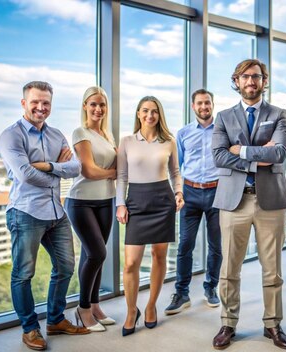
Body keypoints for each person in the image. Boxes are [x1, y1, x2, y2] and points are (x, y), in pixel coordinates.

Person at [0, 81, 89, 351]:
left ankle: (55, 319)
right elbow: (25, 174)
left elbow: (76, 167)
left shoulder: (56, 134)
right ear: (24, 103)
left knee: (66, 267)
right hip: (25, 212)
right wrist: (56, 172)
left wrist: (48, 166)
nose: (41, 107)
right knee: (23, 274)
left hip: (55, 212)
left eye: (46, 103)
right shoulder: (11, 136)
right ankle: (30, 328)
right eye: (35, 102)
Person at [211, 59, 286, 350]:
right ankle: (227, 323)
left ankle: (273, 324)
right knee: (229, 268)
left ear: (263, 81)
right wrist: (261, 154)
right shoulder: (222, 117)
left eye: (256, 77)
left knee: (273, 269)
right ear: (237, 81)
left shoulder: (279, 114)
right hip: (234, 202)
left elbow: (280, 153)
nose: (250, 82)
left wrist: (241, 150)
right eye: (245, 77)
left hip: (271, 202)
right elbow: (219, 156)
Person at [116, 96, 184, 336]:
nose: (150, 115)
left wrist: (178, 193)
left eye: (154, 111)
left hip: (162, 200)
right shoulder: (126, 142)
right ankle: (131, 311)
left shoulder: (169, 141)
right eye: (145, 111)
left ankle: (151, 305)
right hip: (135, 201)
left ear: (159, 115)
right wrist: (120, 204)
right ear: (138, 113)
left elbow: (176, 172)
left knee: (158, 255)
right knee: (131, 263)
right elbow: (121, 176)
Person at [165, 89, 222, 315]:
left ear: (212, 104)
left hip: (216, 192)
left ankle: (211, 288)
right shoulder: (183, 133)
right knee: (185, 244)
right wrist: (177, 192)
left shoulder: (222, 131)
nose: (204, 107)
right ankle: (181, 293)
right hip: (190, 193)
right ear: (193, 106)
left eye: (207, 103)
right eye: (199, 103)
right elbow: (176, 167)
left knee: (216, 246)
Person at [64, 86, 117, 332]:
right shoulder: (80, 132)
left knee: (93, 255)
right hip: (81, 201)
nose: (98, 109)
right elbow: (89, 170)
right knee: (97, 253)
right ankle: (83, 309)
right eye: (93, 104)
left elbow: (104, 170)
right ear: (85, 106)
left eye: (102, 105)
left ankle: (95, 306)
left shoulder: (108, 136)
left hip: (106, 200)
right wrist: (115, 173)